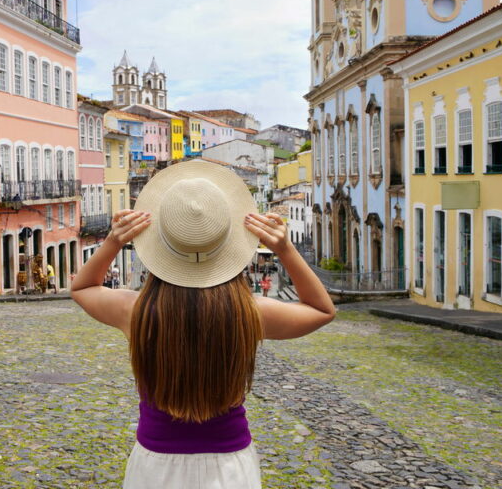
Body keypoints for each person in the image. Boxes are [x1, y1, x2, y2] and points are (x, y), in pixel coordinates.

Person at [70, 160, 335, 489]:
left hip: (155, 465)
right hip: (229, 466)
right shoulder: (249, 312)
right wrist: (285, 248)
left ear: (161, 247)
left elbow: (82, 288)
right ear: (227, 247)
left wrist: (112, 242)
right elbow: (321, 309)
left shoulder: (136, 311)